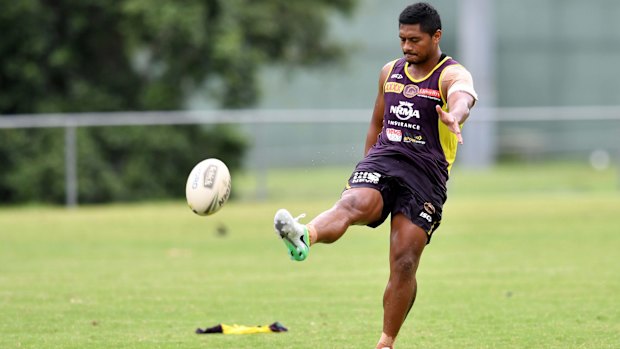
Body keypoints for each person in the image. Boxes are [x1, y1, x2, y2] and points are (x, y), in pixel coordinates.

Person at [273, 2, 478, 348]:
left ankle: (386, 342)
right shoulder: (390, 72)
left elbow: (464, 96)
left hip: (425, 175)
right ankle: (304, 234)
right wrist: (365, 167)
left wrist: (455, 114)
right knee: (353, 202)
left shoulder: (450, 73)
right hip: (383, 160)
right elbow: (376, 122)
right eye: (402, 39)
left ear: (436, 36)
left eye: (414, 40)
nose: (407, 47)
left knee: (404, 261)